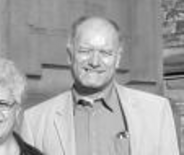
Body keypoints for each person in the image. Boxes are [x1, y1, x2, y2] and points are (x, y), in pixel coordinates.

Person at [21, 16, 180, 155]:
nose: (95, 62)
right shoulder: (35, 121)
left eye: (105, 53)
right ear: (70, 56)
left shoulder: (156, 112)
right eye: (85, 51)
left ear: (117, 59)